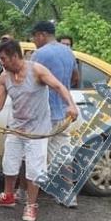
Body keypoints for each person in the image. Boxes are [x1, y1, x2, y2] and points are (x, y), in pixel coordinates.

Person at [0, 40, 79, 221]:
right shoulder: (4, 77)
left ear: (14, 56)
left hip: (37, 130)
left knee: (35, 169)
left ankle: (31, 205)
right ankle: (8, 196)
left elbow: (58, 86)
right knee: (9, 164)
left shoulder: (37, 71)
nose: (1, 62)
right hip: (16, 128)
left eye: (3, 59)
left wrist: (71, 106)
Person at [30, 21, 80, 208]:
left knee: (34, 155)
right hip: (63, 114)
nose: (34, 41)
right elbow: (75, 78)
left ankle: (26, 195)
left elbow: (29, 80)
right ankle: (68, 195)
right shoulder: (68, 52)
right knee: (63, 156)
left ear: (41, 35)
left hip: (44, 114)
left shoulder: (40, 54)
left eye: (34, 37)